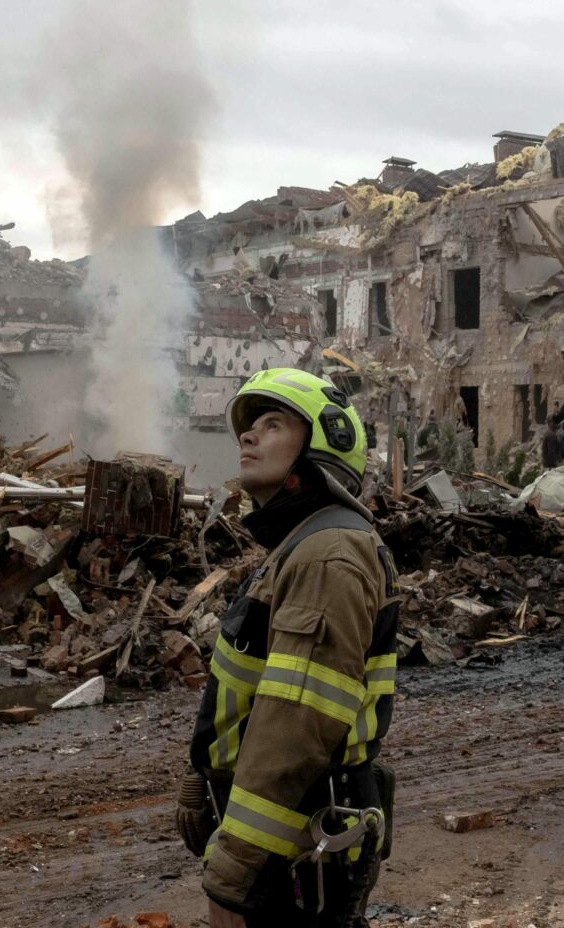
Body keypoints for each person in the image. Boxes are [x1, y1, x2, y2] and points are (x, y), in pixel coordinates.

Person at [176, 368, 401, 927]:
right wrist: (202, 776)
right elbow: (254, 695)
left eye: (273, 424)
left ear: (325, 446)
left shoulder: (328, 555)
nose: (249, 436)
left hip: (296, 841)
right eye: (249, 426)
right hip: (284, 832)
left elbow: (296, 725)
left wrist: (234, 871)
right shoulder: (303, 546)